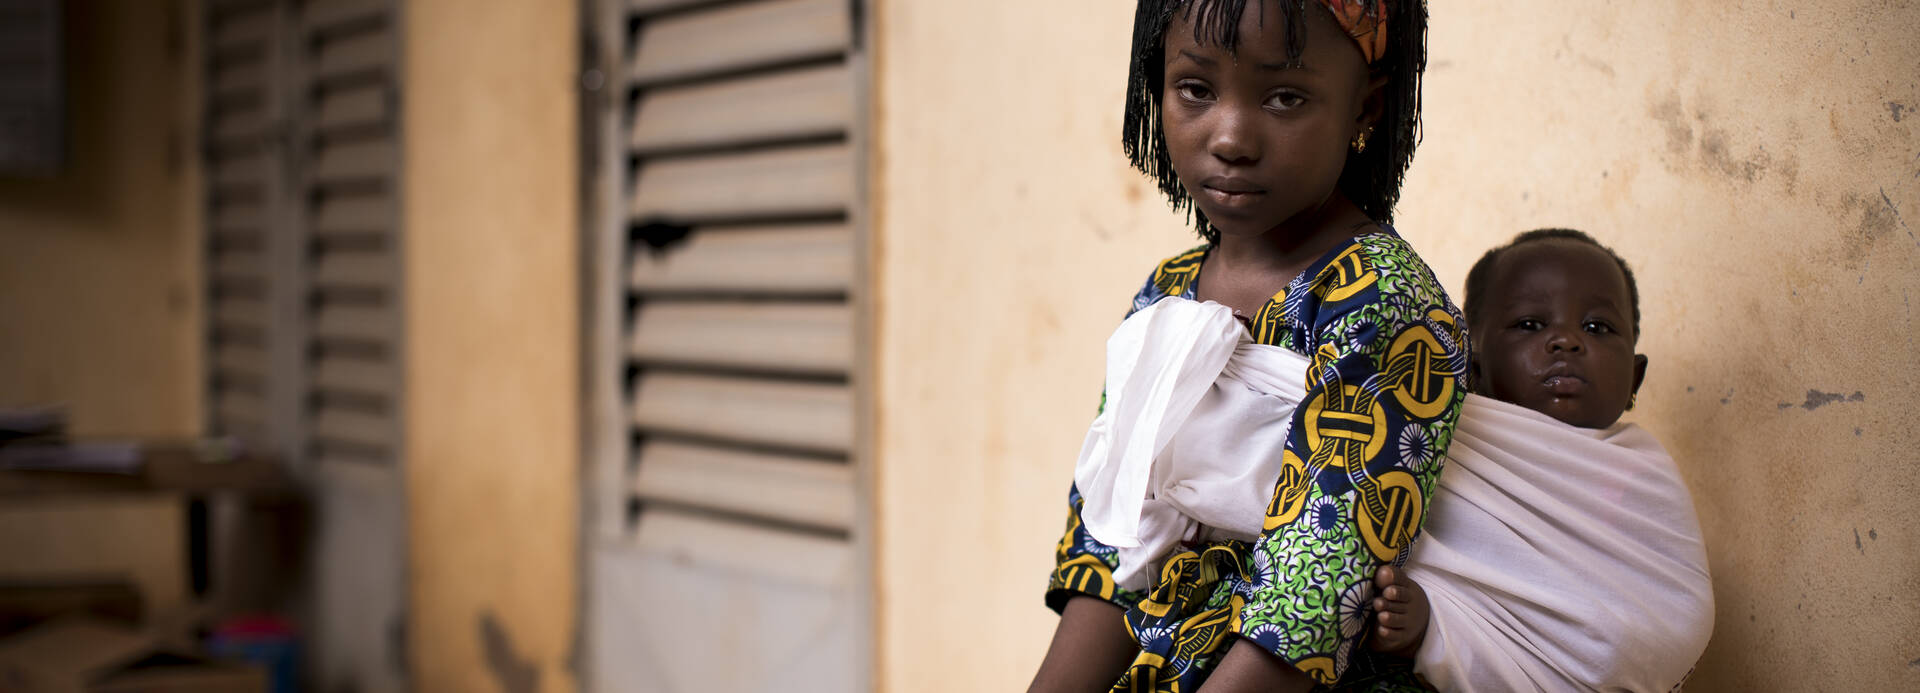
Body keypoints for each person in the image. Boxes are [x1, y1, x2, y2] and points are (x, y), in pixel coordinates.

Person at [1028, 1, 1464, 691]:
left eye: (1285, 97)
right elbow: (1113, 541)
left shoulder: (1380, 298)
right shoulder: (1168, 293)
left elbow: (1313, 596)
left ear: (1365, 109)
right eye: (1195, 89)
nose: (1231, 137)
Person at [1367, 229, 1713, 691]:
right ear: (1472, 368)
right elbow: (1440, 559)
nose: (1566, 341)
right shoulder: (1439, 442)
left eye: (1597, 327)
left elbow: (1671, 611)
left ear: (1635, 377)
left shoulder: (1647, 475)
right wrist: (1434, 625)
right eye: (1530, 324)